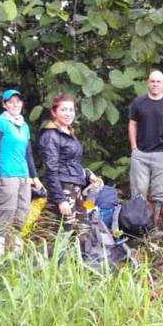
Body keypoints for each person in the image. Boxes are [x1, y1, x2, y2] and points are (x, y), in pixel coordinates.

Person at [0, 89, 43, 262]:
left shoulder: (24, 125)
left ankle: (15, 257)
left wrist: (34, 176)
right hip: (7, 174)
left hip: (24, 175)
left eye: (17, 101)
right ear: (4, 104)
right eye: (10, 102)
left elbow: (28, 154)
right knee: (7, 213)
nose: (15, 104)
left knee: (22, 213)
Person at [39, 93, 103, 228]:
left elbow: (72, 162)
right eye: (63, 110)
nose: (68, 114)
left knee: (84, 228)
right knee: (66, 230)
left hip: (77, 187)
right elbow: (51, 170)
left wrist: (88, 174)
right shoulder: (51, 135)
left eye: (71, 110)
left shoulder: (69, 132)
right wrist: (60, 200)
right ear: (54, 112)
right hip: (63, 189)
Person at [128, 70, 163, 227]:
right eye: (152, 81)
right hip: (141, 154)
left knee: (158, 194)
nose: (155, 84)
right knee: (138, 193)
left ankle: (153, 227)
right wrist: (133, 147)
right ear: (148, 83)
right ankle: (137, 227)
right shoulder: (138, 102)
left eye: (158, 82)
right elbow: (132, 124)